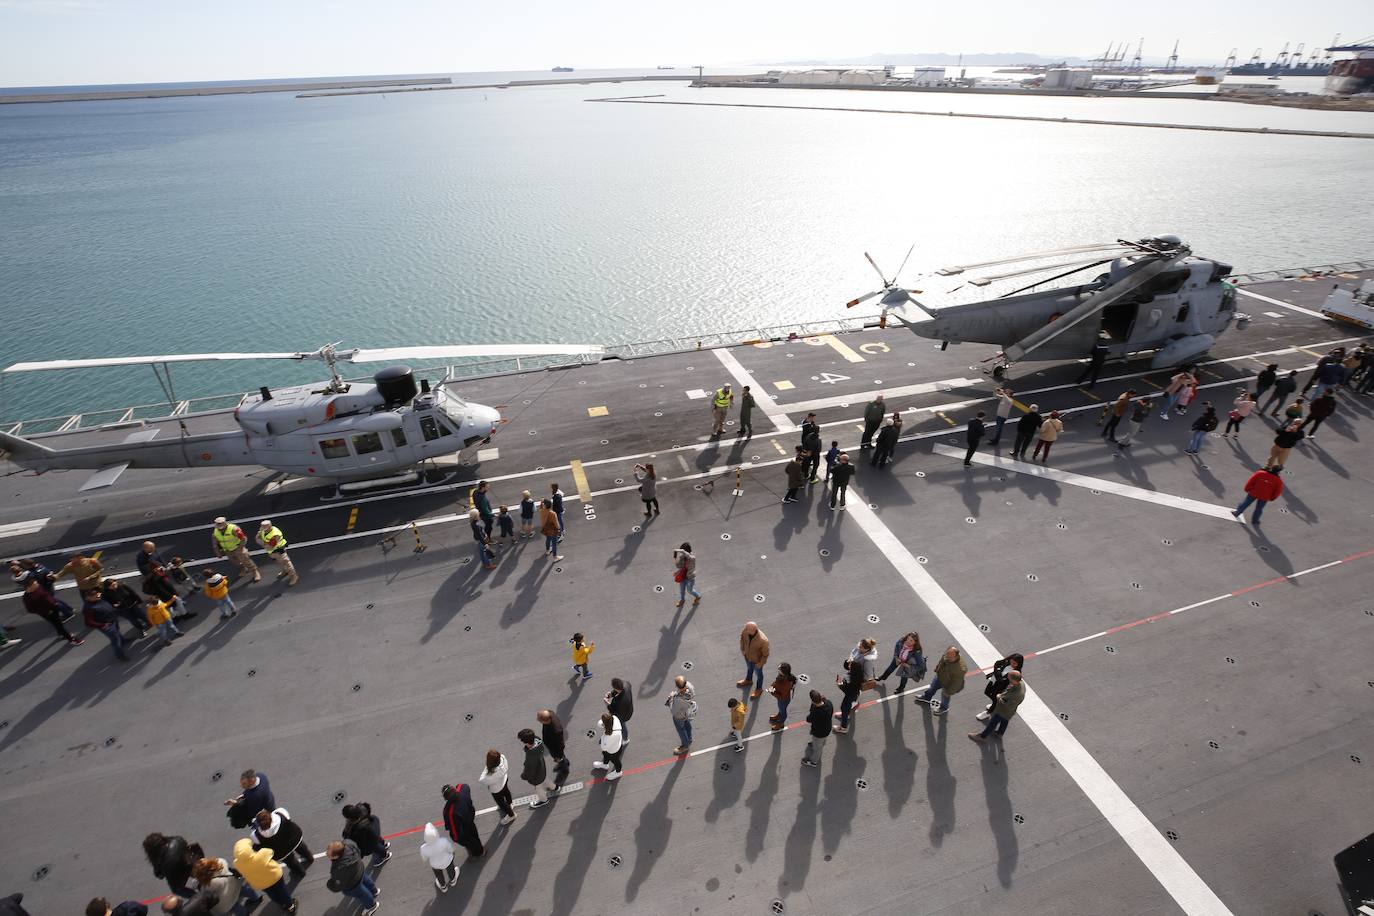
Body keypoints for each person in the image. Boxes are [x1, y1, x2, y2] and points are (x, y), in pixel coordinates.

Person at [232, 838, 296, 913]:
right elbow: (270, 851)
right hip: (274, 876)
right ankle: (290, 906)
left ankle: (282, 904)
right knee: (282, 890)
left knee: (272, 894)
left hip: (260, 883)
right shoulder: (261, 854)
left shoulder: (237, 864)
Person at [250, 808, 312, 878]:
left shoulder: (255, 835)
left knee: (290, 861)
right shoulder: (280, 812)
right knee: (301, 847)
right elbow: (289, 819)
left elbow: (258, 843)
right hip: (294, 839)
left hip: (281, 852)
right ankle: (310, 858)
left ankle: (301, 873)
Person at [190, 855, 261, 916]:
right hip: (235, 884)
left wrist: (196, 885)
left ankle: (245, 913)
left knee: (235, 907)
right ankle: (256, 898)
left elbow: (204, 892)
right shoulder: (220, 862)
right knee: (245, 890)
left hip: (226, 897)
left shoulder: (208, 884)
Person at [143, 833, 204, 900]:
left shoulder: (161, 860)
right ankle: (203, 881)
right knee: (195, 870)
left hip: (177, 873)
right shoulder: (177, 839)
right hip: (189, 863)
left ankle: (197, 897)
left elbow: (159, 875)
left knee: (177, 890)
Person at [22, 579, 83, 646]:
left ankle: (61, 634)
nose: (37, 584)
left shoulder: (38, 588)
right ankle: (71, 639)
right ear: (29, 587)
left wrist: (54, 603)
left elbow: (46, 595)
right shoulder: (27, 598)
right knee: (59, 625)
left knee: (58, 623)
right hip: (47, 613)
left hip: (54, 608)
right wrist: (46, 611)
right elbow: (30, 610)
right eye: (35, 584)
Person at [969, 670, 1025, 742]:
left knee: (993, 722)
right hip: (1011, 711)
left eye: (1009, 678)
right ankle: (1000, 733)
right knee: (1005, 720)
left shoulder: (1016, 694)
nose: (1008, 679)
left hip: (1004, 711)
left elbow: (1006, 704)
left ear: (1014, 680)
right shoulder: (1021, 683)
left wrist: (999, 697)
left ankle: (982, 737)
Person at [325, 840, 379, 914]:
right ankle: (374, 891)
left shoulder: (338, 869)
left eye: (329, 854)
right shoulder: (349, 844)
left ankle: (371, 906)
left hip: (353, 883)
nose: (326, 854)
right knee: (366, 880)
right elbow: (358, 851)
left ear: (336, 856)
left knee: (362, 894)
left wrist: (330, 884)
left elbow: (340, 885)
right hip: (359, 869)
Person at [916, 646, 967, 716]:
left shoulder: (960, 669)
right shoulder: (947, 655)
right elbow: (942, 661)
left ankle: (944, 708)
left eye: (950, 657)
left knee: (945, 696)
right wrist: (937, 668)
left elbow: (957, 683)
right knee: (932, 687)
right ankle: (927, 697)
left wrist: (949, 692)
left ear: (956, 657)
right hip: (940, 676)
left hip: (948, 684)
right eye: (947, 654)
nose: (947, 657)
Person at [83, 588, 129, 660]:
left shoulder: (98, 598)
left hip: (113, 620)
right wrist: (102, 625)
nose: (99, 597)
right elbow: (88, 622)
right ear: (89, 597)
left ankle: (123, 641)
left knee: (117, 631)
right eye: (97, 596)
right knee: (115, 641)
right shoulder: (88, 608)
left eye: (99, 595)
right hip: (107, 625)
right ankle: (120, 655)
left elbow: (104, 602)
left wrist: (113, 607)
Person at [342, 802, 392, 868]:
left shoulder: (357, 828)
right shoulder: (361, 808)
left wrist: (361, 854)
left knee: (373, 846)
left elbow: (362, 842)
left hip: (371, 835)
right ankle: (383, 844)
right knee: (376, 840)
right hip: (373, 824)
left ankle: (385, 855)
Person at [211, 517, 260, 583]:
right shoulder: (215, 532)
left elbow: (243, 538)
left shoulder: (233, 529)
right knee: (235, 562)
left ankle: (255, 572)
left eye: (221, 527)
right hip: (227, 550)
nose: (220, 529)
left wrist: (240, 547)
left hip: (237, 548)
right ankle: (244, 568)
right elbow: (215, 543)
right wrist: (218, 552)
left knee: (246, 560)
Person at [441, 783, 484, 858]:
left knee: (470, 841)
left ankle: (478, 853)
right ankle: (479, 850)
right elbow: (462, 785)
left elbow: (455, 832)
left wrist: (458, 840)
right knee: (475, 835)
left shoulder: (449, 812)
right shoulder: (463, 790)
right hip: (470, 820)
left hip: (464, 828)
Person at [977, 653, 1025, 721]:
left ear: (1019, 664)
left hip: (1000, 687)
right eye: (1011, 661)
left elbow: (1001, 680)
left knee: (995, 698)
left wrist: (997, 670)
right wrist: (998, 671)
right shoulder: (1006, 662)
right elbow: (997, 663)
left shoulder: (1016, 672)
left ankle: (988, 713)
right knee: (987, 692)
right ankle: (995, 705)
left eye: (1014, 663)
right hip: (993, 680)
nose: (1012, 664)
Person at [479, 749, 517, 825]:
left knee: (501, 802)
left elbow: (481, 779)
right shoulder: (503, 758)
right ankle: (510, 803)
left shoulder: (490, 775)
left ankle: (511, 815)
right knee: (506, 791)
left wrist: (487, 767)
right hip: (504, 780)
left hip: (496, 789)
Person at [255, 520, 299, 586]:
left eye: (265, 529)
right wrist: (262, 541)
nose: (263, 530)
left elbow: (271, 545)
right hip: (272, 551)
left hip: (278, 550)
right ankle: (285, 571)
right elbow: (257, 538)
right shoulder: (263, 531)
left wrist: (262, 542)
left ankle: (293, 576)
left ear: (269, 527)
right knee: (279, 562)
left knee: (286, 563)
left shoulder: (275, 534)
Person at [419, 822, 458, 893]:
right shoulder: (443, 841)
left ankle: (443, 886)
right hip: (447, 861)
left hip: (435, 865)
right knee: (451, 870)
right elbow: (450, 849)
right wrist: (452, 852)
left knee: (439, 875)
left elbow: (424, 859)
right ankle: (453, 880)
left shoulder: (423, 848)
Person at [800, 690, 834, 768]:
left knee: (818, 748)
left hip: (819, 732)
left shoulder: (816, 712)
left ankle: (813, 761)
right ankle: (818, 744)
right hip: (827, 727)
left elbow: (809, 719)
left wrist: (812, 709)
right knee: (822, 740)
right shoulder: (828, 703)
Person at [737, 621, 771, 698]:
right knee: (749, 668)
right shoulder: (746, 630)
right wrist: (742, 649)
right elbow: (742, 638)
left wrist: (760, 664)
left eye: (747, 629)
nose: (745, 629)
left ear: (753, 630)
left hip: (757, 661)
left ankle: (759, 689)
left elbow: (765, 655)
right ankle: (748, 680)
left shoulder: (763, 640)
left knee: (759, 675)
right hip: (748, 657)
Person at [537, 709, 570, 786]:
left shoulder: (556, 731)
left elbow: (560, 745)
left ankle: (564, 770)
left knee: (560, 759)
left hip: (556, 749)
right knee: (561, 759)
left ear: (545, 720)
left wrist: (559, 756)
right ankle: (564, 762)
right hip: (552, 746)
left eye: (541, 721)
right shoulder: (550, 713)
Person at [833, 658, 864, 734]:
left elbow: (847, 691)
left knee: (844, 707)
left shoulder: (851, 678)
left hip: (850, 695)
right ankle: (845, 714)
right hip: (855, 694)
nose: (849, 665)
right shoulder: (858, 674)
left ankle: (843, 728)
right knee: (847, 707)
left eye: (850, 665)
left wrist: (840, 685)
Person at [667, 675, 696, 755]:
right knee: (687, 725)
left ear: (677, 686)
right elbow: (693, 694)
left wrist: (671, 699)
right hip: (687, 712)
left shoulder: (678, 699)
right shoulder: (689, 686)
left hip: (679, 716)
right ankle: (689, 738)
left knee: (681, 730)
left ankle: (685, 746)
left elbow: (673, 711)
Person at [594, 712, 626, 779]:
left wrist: (602, 741)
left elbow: (604, 748)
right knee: (605, 755)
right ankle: (605, 764)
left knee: (616, 761)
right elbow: (600, 723)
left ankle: (618, 772)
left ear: (605, 723)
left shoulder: (609, 736)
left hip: (613, 751)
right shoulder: (615, 718)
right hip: (616, 745)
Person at [767, 662, 797, 731]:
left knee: (783, 711)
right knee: (781, 709)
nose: (778, 670)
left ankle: (781, 724)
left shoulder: (785, 684)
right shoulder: (784, 677)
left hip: (783, 700)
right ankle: (778, 715)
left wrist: (772, 692)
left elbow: (781, 696)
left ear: (783, 672)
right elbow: (776, 683)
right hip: (784, 699)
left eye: (779, 669)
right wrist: (773, 686)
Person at [605, 677, 634, 742]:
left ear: (616, 688)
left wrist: (607, 703)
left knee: (623, 726)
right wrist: (611, 694)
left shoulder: (618, 701)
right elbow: (620, 690)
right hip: (629, 709)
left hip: (623, 716)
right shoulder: (626, 684)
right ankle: (624, 739)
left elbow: (612, 710)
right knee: (622, 725)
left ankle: (625, 739)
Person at [673, 543, 701, 608]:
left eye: (683, 551)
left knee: (690, 591)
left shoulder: (692, 557)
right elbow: (679, 566)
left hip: (690, 577)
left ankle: (698, 596)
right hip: (683, 576)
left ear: (686, 551)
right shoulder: (682, 557)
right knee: (681, 590)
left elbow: (689, 557)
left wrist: (682, 551)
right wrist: (675, 558)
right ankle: (682, 600)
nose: (681, 553)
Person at [800, 416, 822, 483]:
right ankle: (812, 479)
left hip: (808, 452)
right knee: (815, 465)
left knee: (807, 463)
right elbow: (819, 449)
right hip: (815, 454)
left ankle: (806, 475)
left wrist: (807, 450)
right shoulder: (818, 440)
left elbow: (805, 443)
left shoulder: (809, 436)